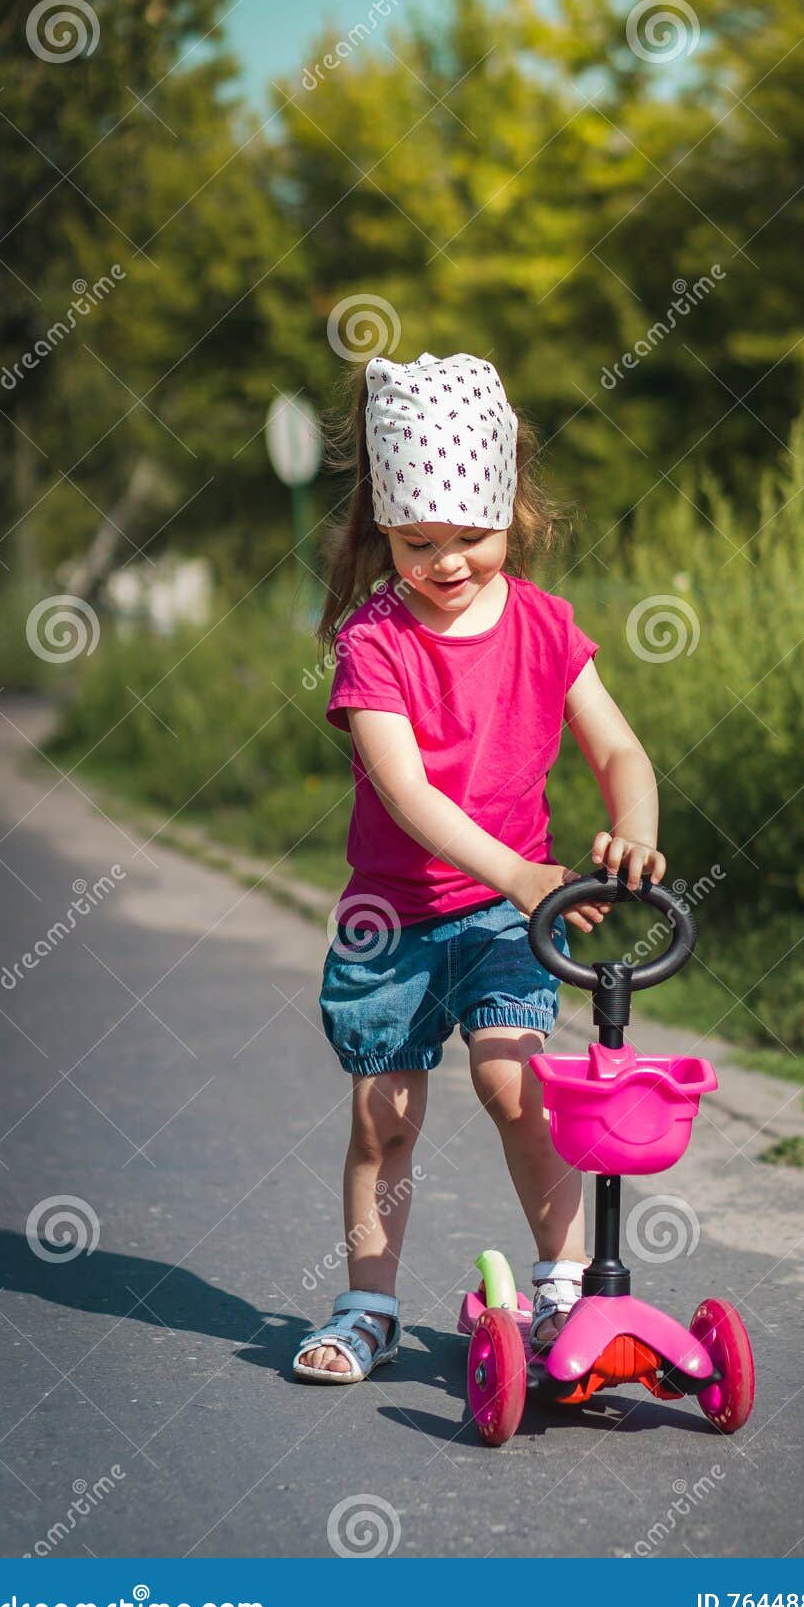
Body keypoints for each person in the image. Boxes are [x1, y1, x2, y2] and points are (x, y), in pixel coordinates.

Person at [293, 350, 666, 1383]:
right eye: (418, 542)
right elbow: (407, 797)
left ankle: (560, 1290)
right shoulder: (374, 641)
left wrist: (630, 825)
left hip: (507, 919)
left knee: (517, 1087)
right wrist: (518, 870)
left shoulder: (543, 624)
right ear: (385, 531)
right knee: (386, 1118)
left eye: (470, 537)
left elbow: (618, 750)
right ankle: (366, 1303)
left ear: (513, 512)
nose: (446, 560)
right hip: (397, 918)